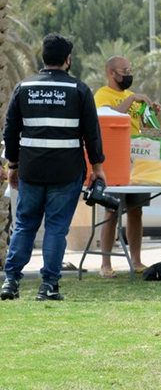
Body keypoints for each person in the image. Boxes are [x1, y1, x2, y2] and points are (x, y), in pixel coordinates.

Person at [1, 33, 106, 301]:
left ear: (43, 57)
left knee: (24, 225)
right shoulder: (79, 90)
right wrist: (97, 167)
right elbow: (91, 133)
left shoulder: (23, 88)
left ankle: (10, 282)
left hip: (31, 170)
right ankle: (48, 286)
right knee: (57, 228)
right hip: (66, 172)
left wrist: (13, 165)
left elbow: (11, 130)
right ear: (68, 59)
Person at [93, 56, 161, 277]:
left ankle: (137, 260)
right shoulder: (103, 95)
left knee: (136, 211)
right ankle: (106, 264)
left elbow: (146, 126)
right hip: (113, 160)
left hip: (136, 160)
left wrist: (152, 113)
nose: (129, 74)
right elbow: (107, 116)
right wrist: (133, 98)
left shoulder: (130, 98)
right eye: (125, 70)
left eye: (130, 69)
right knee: (111, 210)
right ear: (111, 73)